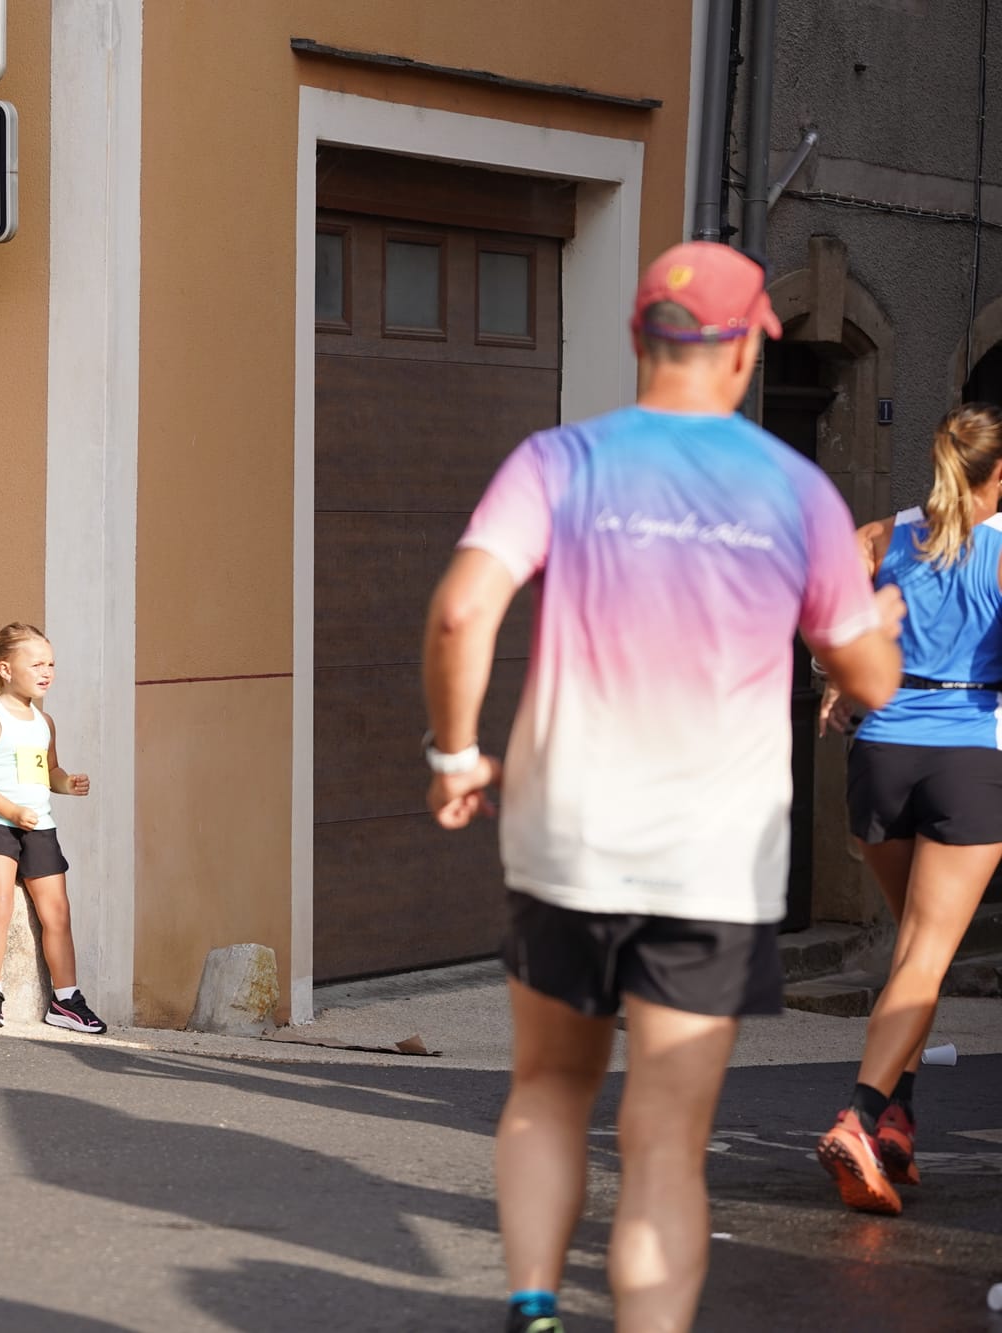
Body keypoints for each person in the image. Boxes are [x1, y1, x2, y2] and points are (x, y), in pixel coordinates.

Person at [421, 241, 904, 1333]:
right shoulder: (794, 489)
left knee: (546, 1090)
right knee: (661, 1142)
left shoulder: (556, 460)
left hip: (566, 841)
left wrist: (456, 752)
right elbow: (866, 677)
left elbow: (459, 610)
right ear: (739, 352)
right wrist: (869, 626)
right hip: (709, 859)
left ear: (641, 339)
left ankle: (535, 1309)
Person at [814, 402, 1002, 1215]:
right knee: (926, 957)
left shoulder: (879, 537)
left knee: (911, 952)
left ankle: (900, 1118)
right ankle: (857, 1118)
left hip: (881, 752)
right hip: (969, 755)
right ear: (995, 475)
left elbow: (823, 610)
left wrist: (836, 679)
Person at [0, 622, 106, 1034]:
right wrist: (10, 810)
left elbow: (49, 770)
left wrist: (67, 784)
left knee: (58, 912)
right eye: (36, 663)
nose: (47, 672)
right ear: (6, 669)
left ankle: (66, 999)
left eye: (51, 663)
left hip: (39, 826)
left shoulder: (45, 722)